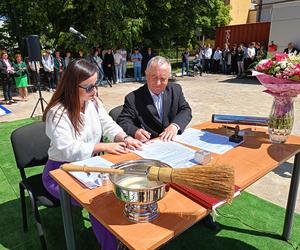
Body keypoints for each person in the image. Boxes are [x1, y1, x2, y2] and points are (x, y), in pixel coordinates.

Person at [42, 59, 142, 250]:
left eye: (96, 85)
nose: (94, 91)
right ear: (72, 86)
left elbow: (108, 124)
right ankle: (112, 245)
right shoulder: (57, 112)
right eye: (88, 87)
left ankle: (124, 235)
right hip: (61, 172)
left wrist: (125, 137)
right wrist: (102, 146)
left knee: (121, 189)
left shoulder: (93, 102)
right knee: (99, 203)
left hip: (92, 166)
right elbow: (66, 148)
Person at [117, 56, 192, 142]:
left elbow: (186, 110)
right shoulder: (133, 98)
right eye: (154, 77)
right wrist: (135, 131)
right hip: (149, 145)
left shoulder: (175, 90)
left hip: (172, 141)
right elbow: (123, 121)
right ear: (146, 74)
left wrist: (175, 126)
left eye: (163, 79)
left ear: (168, 77)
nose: (158, 83)